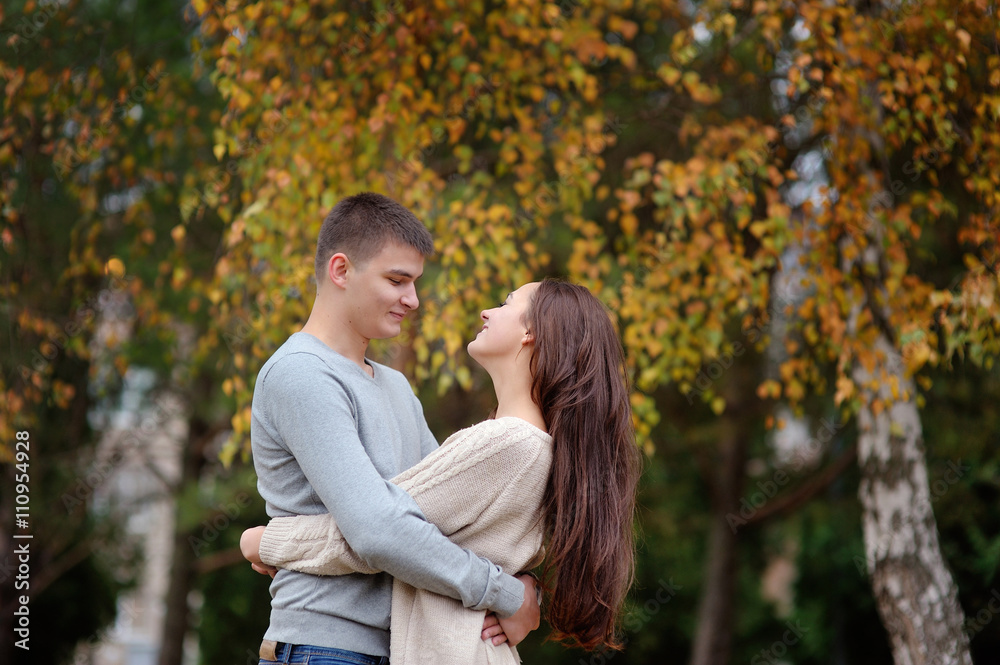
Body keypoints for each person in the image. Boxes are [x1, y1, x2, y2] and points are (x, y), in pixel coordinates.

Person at [242, 279, 643, 664]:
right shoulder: (529, 445)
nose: (487, 311)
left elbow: (380, 531)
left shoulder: (506, 443)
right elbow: (414, 536)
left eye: (505, 303)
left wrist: (267, 541)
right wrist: (519, 592)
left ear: (531, 333)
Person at [247, 192, 541, 665]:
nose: (413, 299)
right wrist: (507, 595)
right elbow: (379, 531)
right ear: (341, 271)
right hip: (326, 649)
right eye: (397, 280)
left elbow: (445, 522)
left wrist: (531, 593)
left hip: (406, 648)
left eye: (415, 282)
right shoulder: (301, 373)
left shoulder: (396, 387)